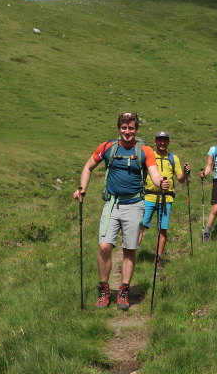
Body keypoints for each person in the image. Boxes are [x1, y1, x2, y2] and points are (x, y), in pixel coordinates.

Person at [73, 112, 170, 311]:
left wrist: (162, 182)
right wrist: (82, 189)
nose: (127, 132)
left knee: (129, 248)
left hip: (135, 204)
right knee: (104, 246)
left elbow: (153, 173)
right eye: (124, 128)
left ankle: (124, 290)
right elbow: (88, 167)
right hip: (112, 204)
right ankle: (104, 290)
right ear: (119, 128)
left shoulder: (145, 150)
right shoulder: (108, 147)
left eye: (131, 128)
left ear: (136, 129)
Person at [138, 131, 191, 268]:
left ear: (168, 142)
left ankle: (158, 259)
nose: (162, 143)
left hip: (166, 198)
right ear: (155, 142)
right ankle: (132, 255)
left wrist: (185, 173)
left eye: (165, 140)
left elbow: (180, 179)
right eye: (160, 140)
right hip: (149, 196)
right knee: (140, 226)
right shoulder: (149, 156)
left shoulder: (173, 158)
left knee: (162, 229)